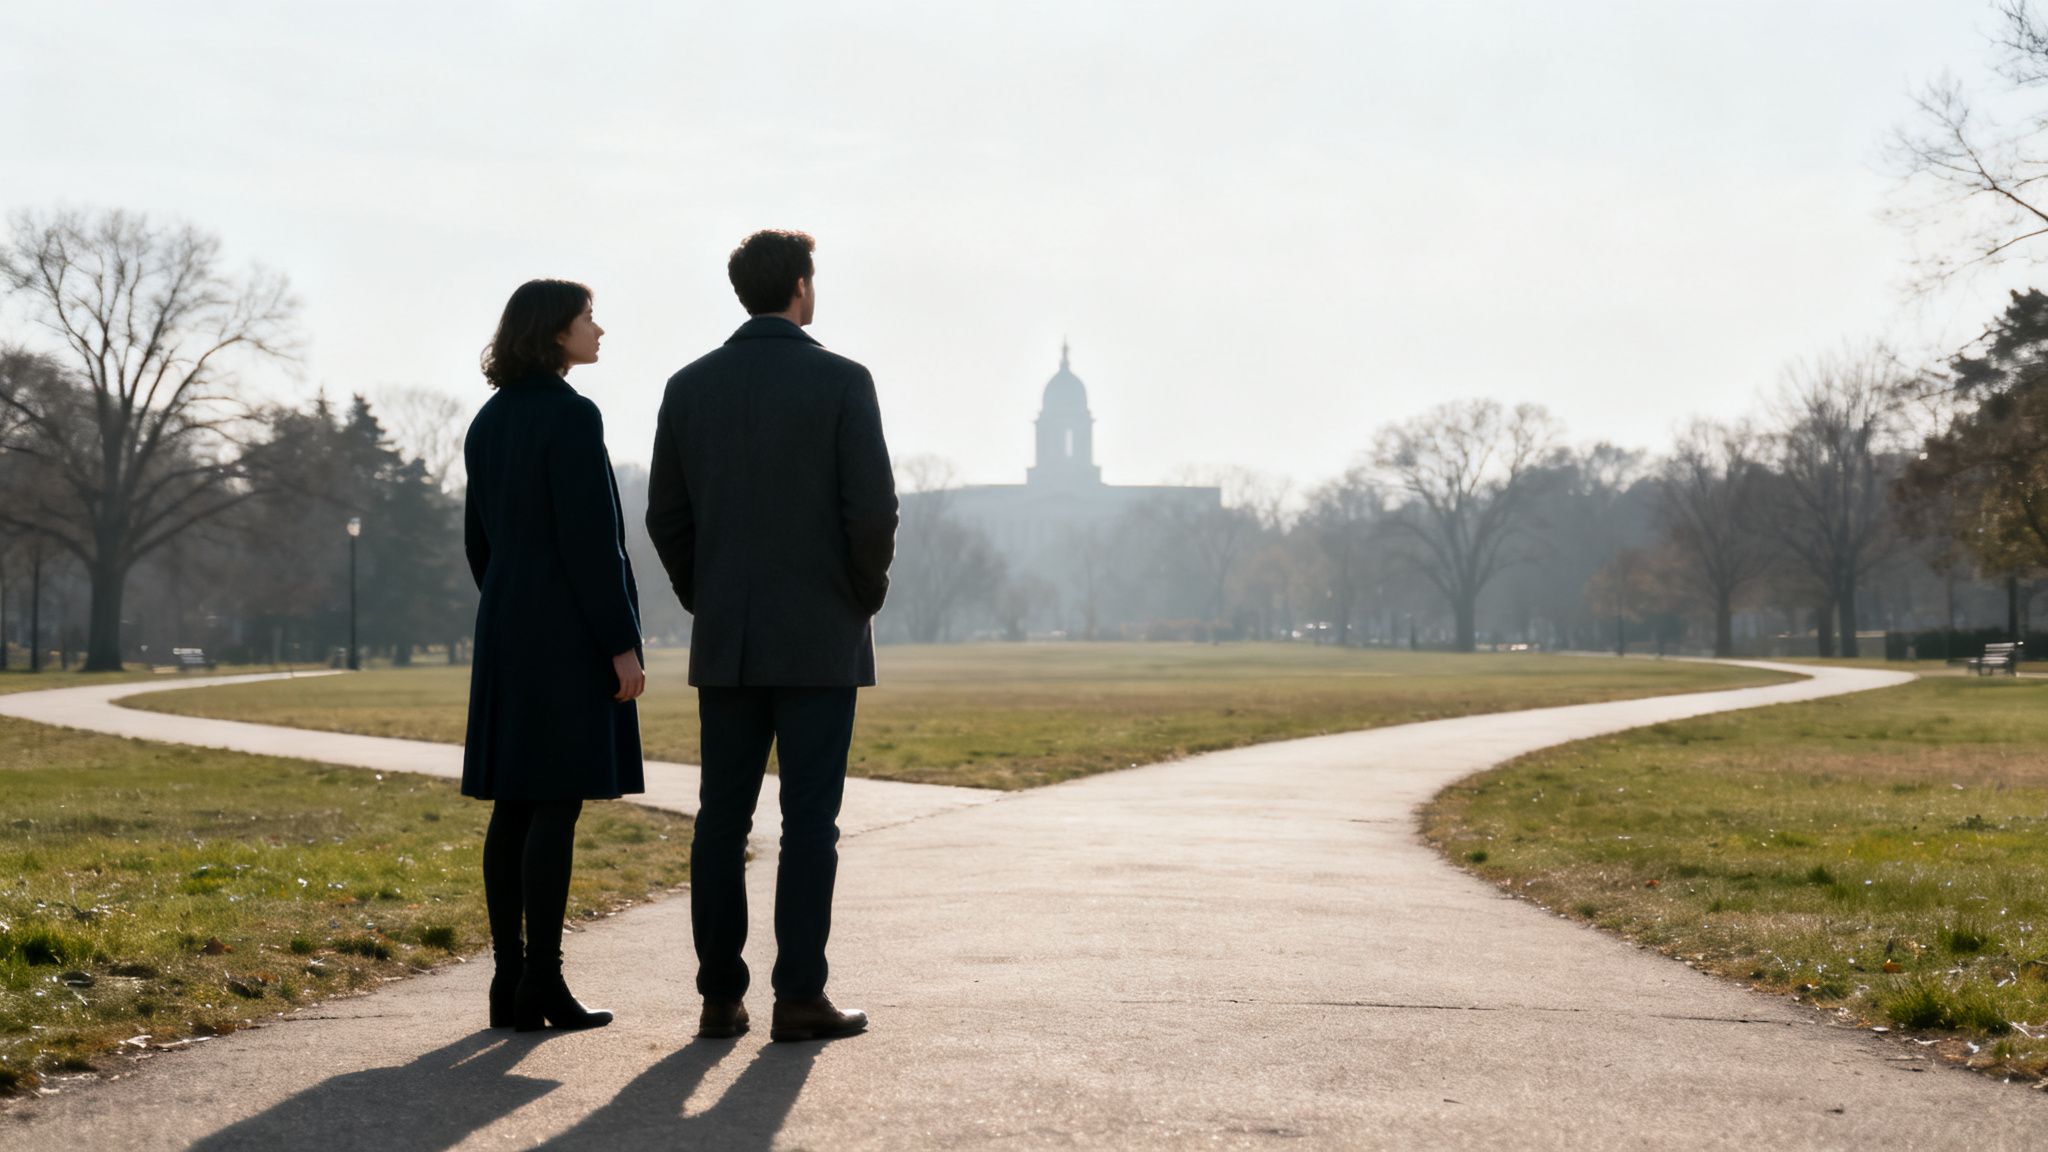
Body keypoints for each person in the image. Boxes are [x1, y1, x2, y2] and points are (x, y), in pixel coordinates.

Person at [645, 230, 898, 1042]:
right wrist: (861, 597)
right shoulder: (842, 381)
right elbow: (872, 512)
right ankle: (800, 994)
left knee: (721, 819)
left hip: (731, 635)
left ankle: (720, 995)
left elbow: (666, 518)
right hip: (820, 634)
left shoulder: (688, 388)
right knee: (808, 824)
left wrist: (705, 596)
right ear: (800, 286)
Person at [462, 278, 647, 1032]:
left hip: (507, 624)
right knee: (555, 805)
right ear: (554, 332)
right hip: (566, 632)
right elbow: (590, 543)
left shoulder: (488, 420)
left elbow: (479, 542)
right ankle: (544, 981)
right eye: (587, 320)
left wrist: (512, 596)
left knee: (515, 803)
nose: (598, 331)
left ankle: (510, 984)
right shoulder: (573, 416)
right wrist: (620, 643)